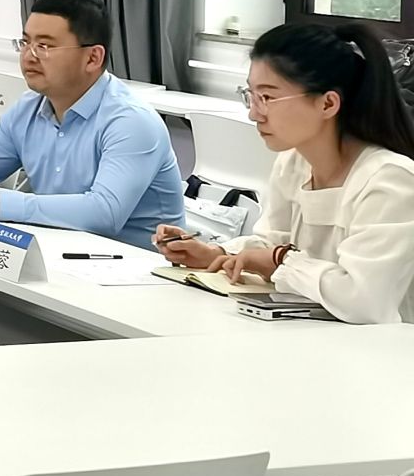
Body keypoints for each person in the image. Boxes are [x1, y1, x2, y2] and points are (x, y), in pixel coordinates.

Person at [157, 21, 414, 324]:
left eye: (267, 98)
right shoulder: (294, 163)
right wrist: (216, 253)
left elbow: (364, 300)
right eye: (250, 95)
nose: (254, 113)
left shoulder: (390, 180)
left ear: (327, 103)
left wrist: (281, 261)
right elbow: (270, 243)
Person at [0, 0, 185, 247]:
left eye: (45, 46)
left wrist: (1, 204)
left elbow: (104, 213)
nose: (29, 56)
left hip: (134, 270)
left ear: (93, 58)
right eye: (25, 42)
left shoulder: (131, 122)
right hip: (60, 251)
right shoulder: (29, 107)